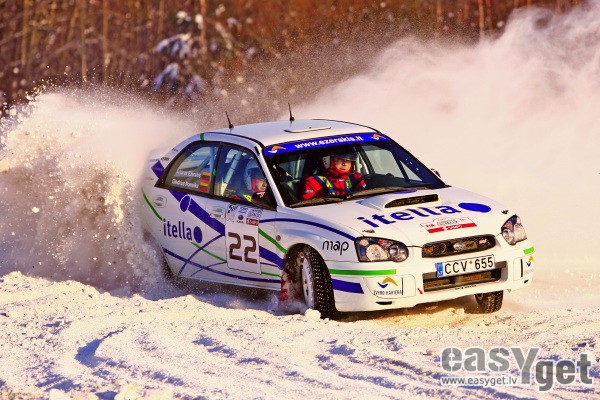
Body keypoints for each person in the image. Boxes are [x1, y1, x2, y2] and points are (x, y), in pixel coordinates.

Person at [301, 151, 366, 200]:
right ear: (327, 160)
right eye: (340, 159)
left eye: (348, 160)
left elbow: (367, 196)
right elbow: (310, 206)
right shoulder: (313, 182)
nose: (344, 164)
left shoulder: (357, 178)